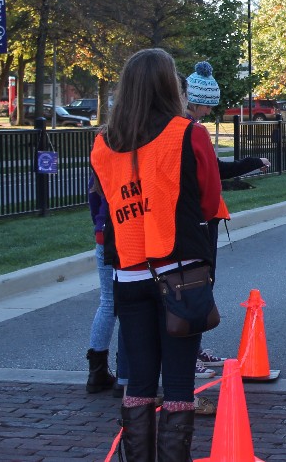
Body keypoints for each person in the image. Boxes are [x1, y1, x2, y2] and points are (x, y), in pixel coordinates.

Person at [91, 48, 222, 461]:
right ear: (171, 85)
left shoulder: (103, 143)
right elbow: (209, 199)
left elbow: (104, 201)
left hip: (128, 271)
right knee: (180, 383)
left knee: (140, 381)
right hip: (179, 272)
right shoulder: (188, 133)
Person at [182, 62, 270, 415]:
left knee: (203, 284)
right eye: (206, 105)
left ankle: (196, 347)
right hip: (198, 222)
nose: (209, 111)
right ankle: (188, 356)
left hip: (208, 218)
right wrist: (250, 162)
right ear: (196, 102)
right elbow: (214, 173)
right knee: (195, 286)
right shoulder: (190, 131)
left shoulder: (195, 128)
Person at [86, 176, 129, 398]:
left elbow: (93, 197)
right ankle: (125, 374)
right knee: (131, 302)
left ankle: (96, 371)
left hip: (103, 231)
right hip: (126, 231)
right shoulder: (132, 148)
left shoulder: (101, 151)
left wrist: (99, 222)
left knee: (108, 302)